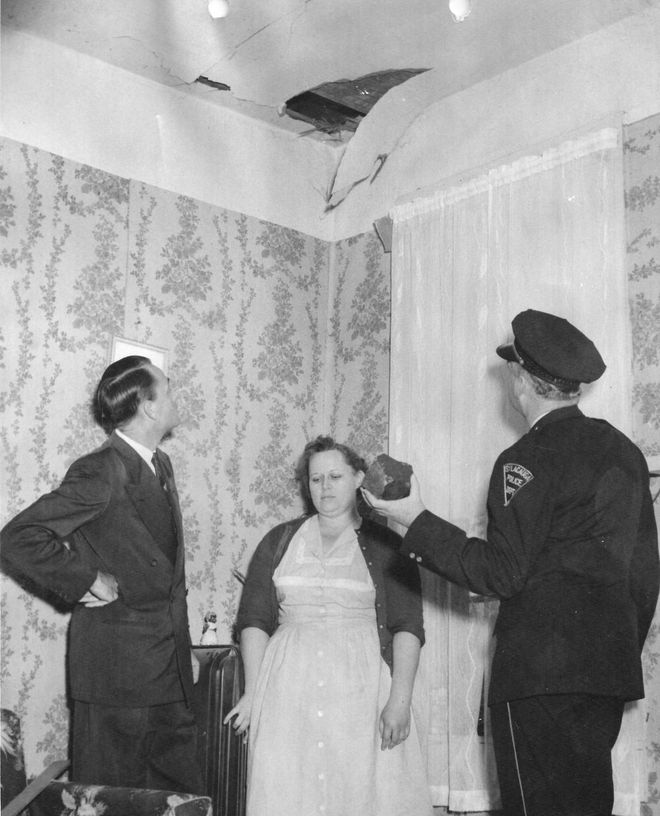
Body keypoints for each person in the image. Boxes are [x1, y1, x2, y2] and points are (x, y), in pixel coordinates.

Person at [363, 309, 660, 816]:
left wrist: (415, 520)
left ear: (522, 379)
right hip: (606, 677)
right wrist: (609, 654)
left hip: (538, 681)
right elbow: (644, 576)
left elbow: (501, 573)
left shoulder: (524, 458)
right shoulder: (624, 451)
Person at [0, 356, 204, 794]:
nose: (174, 396)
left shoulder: (160, 464)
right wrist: (86, 578)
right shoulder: (101, 468)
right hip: (117, 674)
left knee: (176, 797)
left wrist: (181, 646)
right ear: (148, 406)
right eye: (167, 389)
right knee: (112, 798)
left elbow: (164, 574)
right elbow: (19, 536)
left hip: (165, 668)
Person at [226, 435, 433, 816]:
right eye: (316, 479)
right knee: (291, 790)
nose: (324, 487)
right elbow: (254, 620)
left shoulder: (387, 544)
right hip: (288, 690)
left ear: (358, 478)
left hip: (360, 688)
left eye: (335, 476)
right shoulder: (280, 540)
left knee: (358, 790)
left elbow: (407, 626)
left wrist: (399, 702)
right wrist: (253, 692)